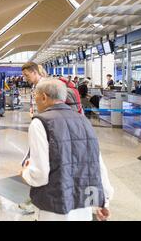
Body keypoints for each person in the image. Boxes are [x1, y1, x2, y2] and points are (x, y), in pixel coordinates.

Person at [19, 78, 113, 221]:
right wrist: (103, 201)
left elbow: (40, 175)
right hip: (83, 205)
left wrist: (25, 172)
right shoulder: (83, 121)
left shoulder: (40, 123)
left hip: (53, 205)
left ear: (44, 97)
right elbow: (96, 164)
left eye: (35, 96)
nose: (35, 100)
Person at [19, 62, 47, 214]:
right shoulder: (37, 85)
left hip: (42, 129)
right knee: (33, 163)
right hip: (38, 126)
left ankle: (35, 201)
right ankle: (34, 199)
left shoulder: (43, 86)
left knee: (35, 163)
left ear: (35, 72)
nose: (25, 78)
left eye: (27, 75)